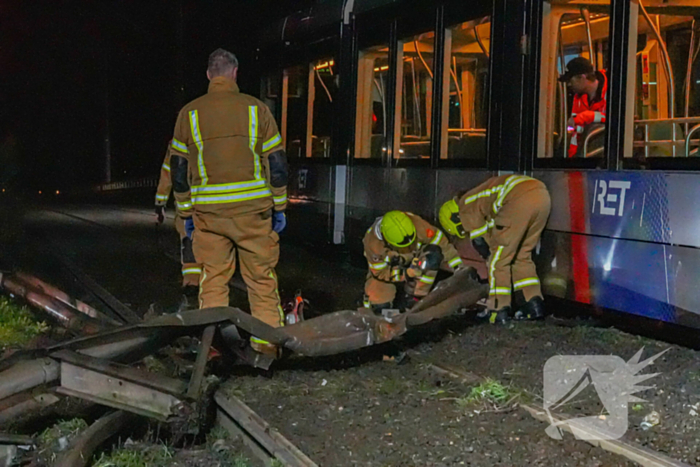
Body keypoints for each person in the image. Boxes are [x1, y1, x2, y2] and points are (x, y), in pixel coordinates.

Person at [169, 49, 288, 357]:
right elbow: (276, 164)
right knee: (261, 279)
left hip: (209, 214)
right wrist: (280, 206)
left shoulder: (189, 113)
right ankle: (267, 346)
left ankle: (213, 349)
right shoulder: (256, 109)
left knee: (213, 281)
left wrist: (185, 212)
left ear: (209, 75)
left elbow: (179, 173)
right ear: (235, 73)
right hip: (253, 212)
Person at [439, 175, 551, 324]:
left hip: (518, 200)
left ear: (454, 217)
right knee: (522, 256)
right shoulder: (482, 197)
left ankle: (497, 309)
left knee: (497, 262)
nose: (465, 231)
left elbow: (481, 242)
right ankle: (533, 303)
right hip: (541, 195)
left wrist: (490, 256)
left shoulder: (465, 205)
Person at [363, 210, 464, 313]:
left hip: (414, 258)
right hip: (390, 268)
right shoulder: (373, 245)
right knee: (380, 305)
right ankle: (380, 313)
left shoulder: (418, 225)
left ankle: (416, 298)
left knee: (433, 255)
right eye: (404, 247)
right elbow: (381, 273)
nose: (408, 247)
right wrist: (405, 274)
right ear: (387, 242)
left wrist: (458, 267)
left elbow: (442, 244)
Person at [154, 141, 201, 295]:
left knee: (189, 238)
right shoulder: (216, 129)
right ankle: (212, 284)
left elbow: (169, 171)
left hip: (187, 200)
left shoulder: (179, 138)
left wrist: (160, 201)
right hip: (214, 200)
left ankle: (192, 282)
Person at [559, 57, 607, 158]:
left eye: (570, 80)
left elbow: (617, 121)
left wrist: (586, 116)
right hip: (585, 153)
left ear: (582, 77)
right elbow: (574, 132)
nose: (569, 84)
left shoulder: (612, 90)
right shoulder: (578, 97)